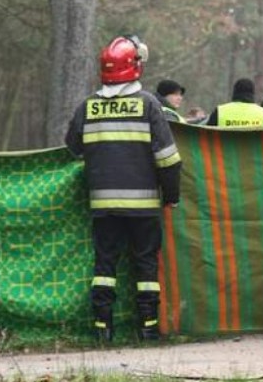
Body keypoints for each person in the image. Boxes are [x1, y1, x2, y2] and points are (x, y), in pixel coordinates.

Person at [65, 35, 182, 343]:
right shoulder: (148, 105)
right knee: (145, 264)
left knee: (105, 264)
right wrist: (171, 196)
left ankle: (103, 329)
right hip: (143, 206)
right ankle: (148, 327)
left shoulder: (87, 107)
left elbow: (72, 147)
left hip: (103, 206)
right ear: (134, 68)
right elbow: (169, 159)